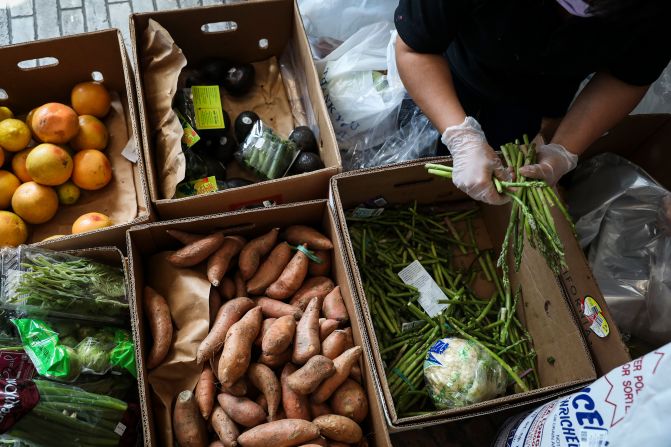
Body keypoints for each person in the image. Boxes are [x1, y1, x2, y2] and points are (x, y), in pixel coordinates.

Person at [395, 0, 671, 204]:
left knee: (504, 177)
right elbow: (415, 50)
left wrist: (565, 149)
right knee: (417, 163)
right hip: (447, 74)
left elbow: (628, 77)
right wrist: (460, 135)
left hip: (537, 102)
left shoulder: (654, 12)